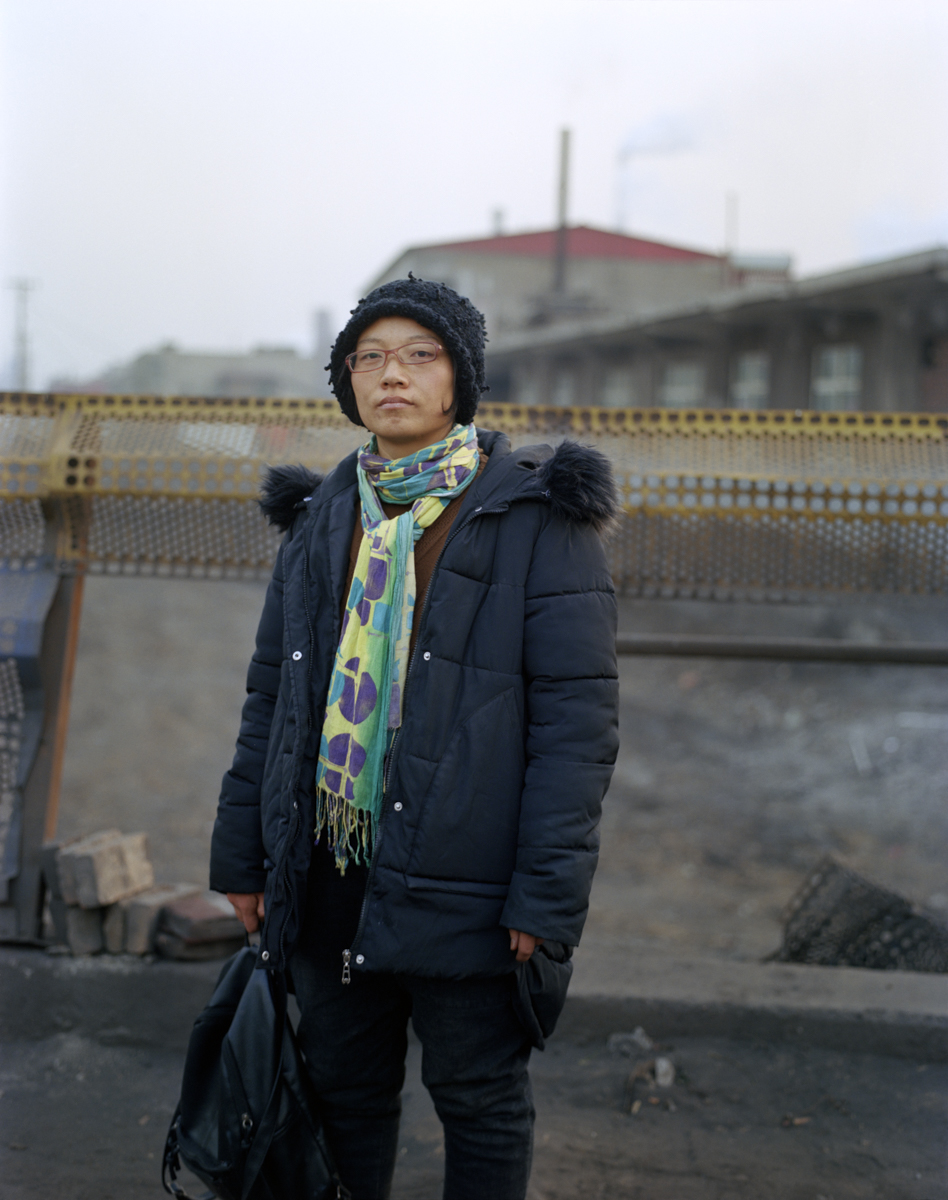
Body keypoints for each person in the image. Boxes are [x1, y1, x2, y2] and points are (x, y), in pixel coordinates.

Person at [210, 276, 619, 1200]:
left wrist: (545, 898)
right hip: (328, 868)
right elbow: (272, 700)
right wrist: (245, 856)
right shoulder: (321, 517)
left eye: (419, 356)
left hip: (468, 881)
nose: (392, 375)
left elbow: (577, 728)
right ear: (349, 381)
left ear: (459, 379)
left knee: (479, 1100)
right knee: (343, 1094)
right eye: (371, 358)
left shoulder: (536, 517)